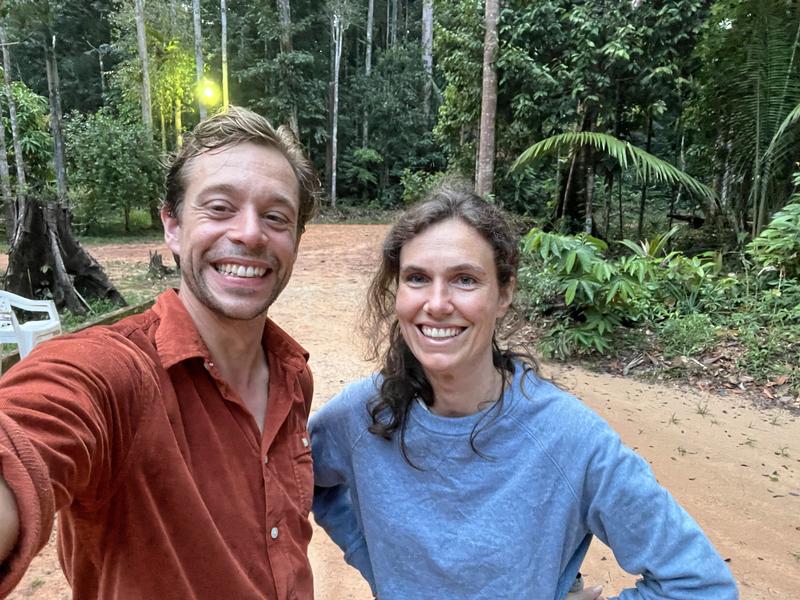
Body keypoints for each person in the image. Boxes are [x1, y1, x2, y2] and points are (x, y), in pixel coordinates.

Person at [309, 184, 739, 599]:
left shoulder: (567, 439)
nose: (437, 303)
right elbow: (301, 481)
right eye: (417, 278)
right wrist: (383, 568)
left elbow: (699, 584)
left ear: (504, 292)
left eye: (464, 280)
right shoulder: (363, 417)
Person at [0, 106, 320, 599]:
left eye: (276, 216)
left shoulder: (294, 376)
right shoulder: (117, 374)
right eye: (219, 207)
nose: (250, 233)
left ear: (295, 241)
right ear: (171, 224)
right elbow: (28, 432)